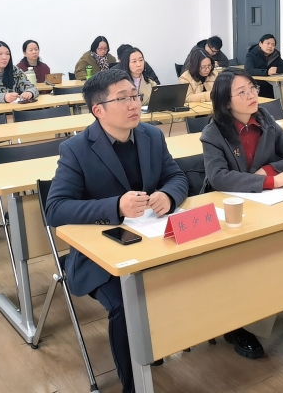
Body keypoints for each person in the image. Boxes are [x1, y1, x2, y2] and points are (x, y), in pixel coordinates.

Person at [46, 69, 187, 393]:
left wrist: (168, 195)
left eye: (135, 96)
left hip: (152, 243)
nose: (134, 104)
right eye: (122, 99)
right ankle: (133, 387)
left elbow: (176, 176)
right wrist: (115, 207)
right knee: (128, 303)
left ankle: (160, 342)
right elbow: (55, 209)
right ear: (98, 110)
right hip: (100, 256)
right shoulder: (77, 149)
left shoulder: (151, 136)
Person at [200, 68, 283, 358]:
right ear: (226, 102)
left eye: (252, 88)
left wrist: (268, 170)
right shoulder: (213, 133)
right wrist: (269, 182)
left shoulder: (265, 119)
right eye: (241, 92)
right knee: (254, 257)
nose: (251, 95)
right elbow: (219, 178)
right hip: (229, 211)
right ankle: (239, 324)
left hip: (268, 205)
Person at [245, 34, 283, 98]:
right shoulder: (252, 54)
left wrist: (277, 70)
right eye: (268, 43)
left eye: (273, 44)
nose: (270, 46)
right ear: (260, 44)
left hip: (272, 85)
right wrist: (267, 72)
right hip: (257, 85)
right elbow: (248, 70)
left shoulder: (275, 55)